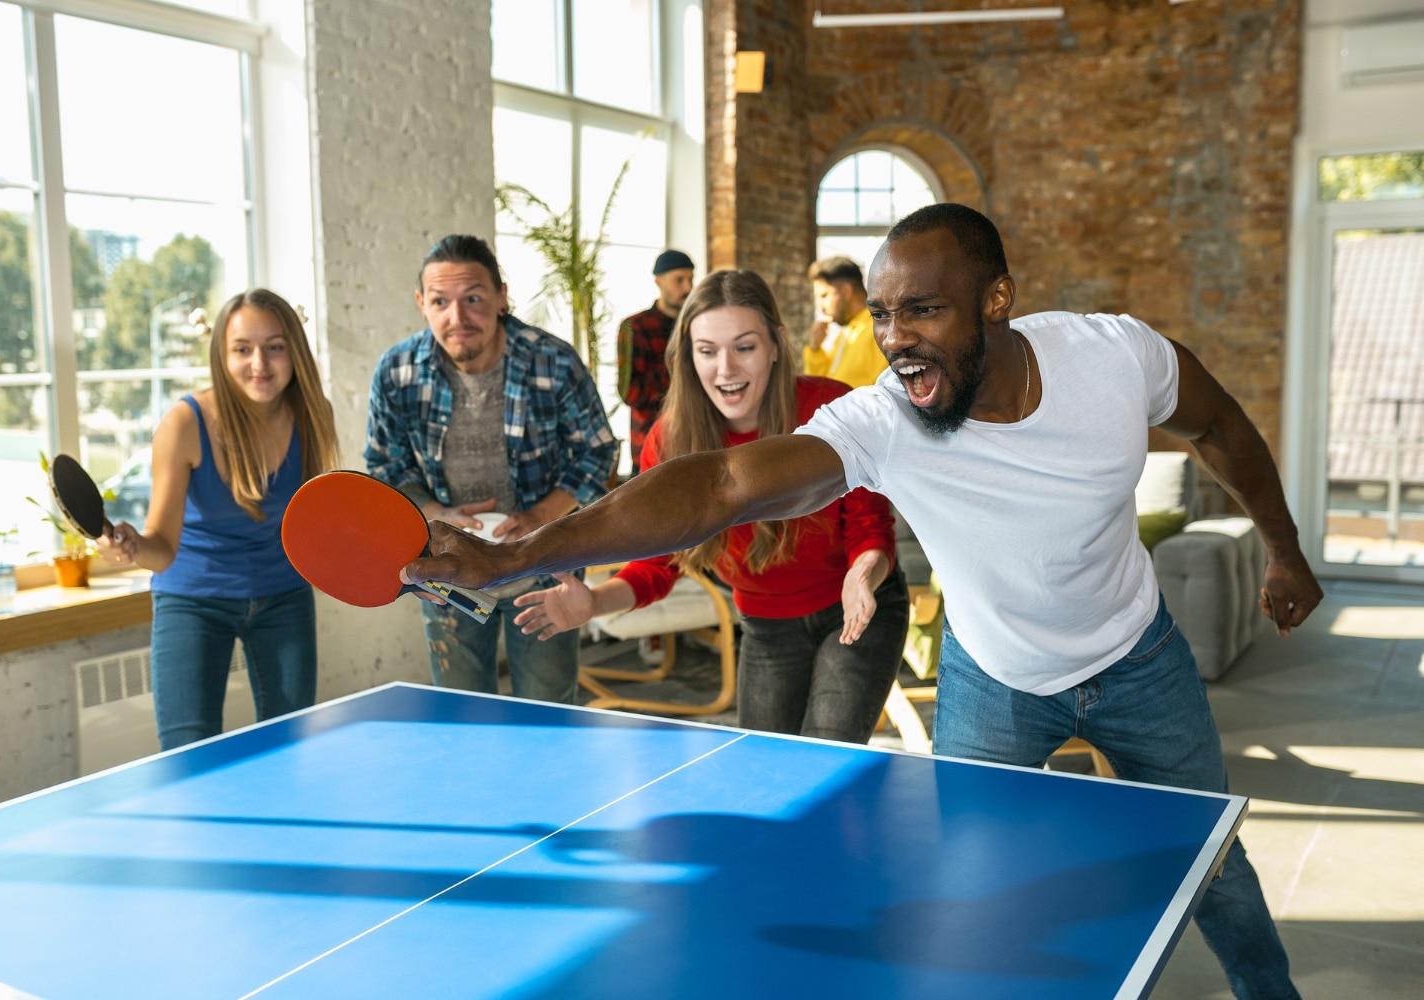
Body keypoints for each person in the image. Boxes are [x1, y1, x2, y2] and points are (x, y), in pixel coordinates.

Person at [408, 204, 1323, 1000]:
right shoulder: (885, 417)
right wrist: (525, 553)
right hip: (994, 678)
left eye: (924, 310)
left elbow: (1219, 424)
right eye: (884, 315)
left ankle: (1268, 992)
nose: (897, 338)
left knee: (1214, 865)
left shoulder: (1115, 356)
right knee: (973, 880)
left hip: (1137, 656)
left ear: (995, 300)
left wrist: (1282, 548)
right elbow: (727, 484)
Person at [514, 270, 910, 743]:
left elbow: (871, 527)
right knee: (766, 775)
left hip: (859, 611)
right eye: (707, 351)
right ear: (688, 357)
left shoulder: (830, 408)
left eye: (744, 347)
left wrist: (863, 572)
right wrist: (594, 602)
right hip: (765, 628)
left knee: (827, 757)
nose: (725, 369)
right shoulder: (669, 443)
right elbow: (658, 563)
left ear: (777, 345)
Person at [365, 234, 617, 705]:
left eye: (473, 299)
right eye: (440, 301)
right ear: (422, 304)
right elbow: (385, 465)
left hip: (546, 567)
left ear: (502, 297)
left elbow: (597, 451)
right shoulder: (396, 372)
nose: (456, 318)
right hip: (446, 569)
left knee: (548, 714)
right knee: (464, 716)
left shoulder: (554, 362)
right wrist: (437, 510)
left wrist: (544, 514)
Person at [97, 288, 341, 751]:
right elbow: (161, 548)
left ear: (295, 351)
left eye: (275, 347)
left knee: (290, 749)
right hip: (193, 599)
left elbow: (314, 524)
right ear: (221, 355)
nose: (260, 364)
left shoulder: (312, 414)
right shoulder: (184, 424)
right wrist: (129, 546)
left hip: (283, 594)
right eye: (242, 349)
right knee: (189, 756)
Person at [616, 249, 695, 472]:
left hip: (697, 446)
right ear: (659, 282)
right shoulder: (635, 327)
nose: (688, 287)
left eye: (690, 279)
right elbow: (630, 393)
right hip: (651, 449)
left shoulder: (698, 324)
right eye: (679, 280)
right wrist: (675, 364)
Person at [804, 256, 888, 389]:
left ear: (846, 291)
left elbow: (883, 391)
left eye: (824, 295)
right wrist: (815, 349)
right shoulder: (845, 334)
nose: (821, 307)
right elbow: (820, 386)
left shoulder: (878, 330)